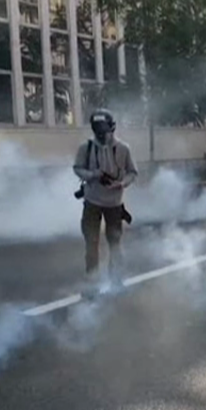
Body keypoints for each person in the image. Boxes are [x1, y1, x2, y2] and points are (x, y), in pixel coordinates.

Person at [73, 109, 138, 297]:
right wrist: (93, 175)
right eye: (97, 132)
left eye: (105, 131)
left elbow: (132, 172)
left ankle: (116, 281)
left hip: (114, 205)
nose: (101, 136)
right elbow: (77, 169)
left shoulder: (124, 149)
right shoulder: (86, 148)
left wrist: (122, 183)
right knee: (91, 244)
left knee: (115, 244)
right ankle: (92, 286)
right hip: (92, 203)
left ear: (112, 129)